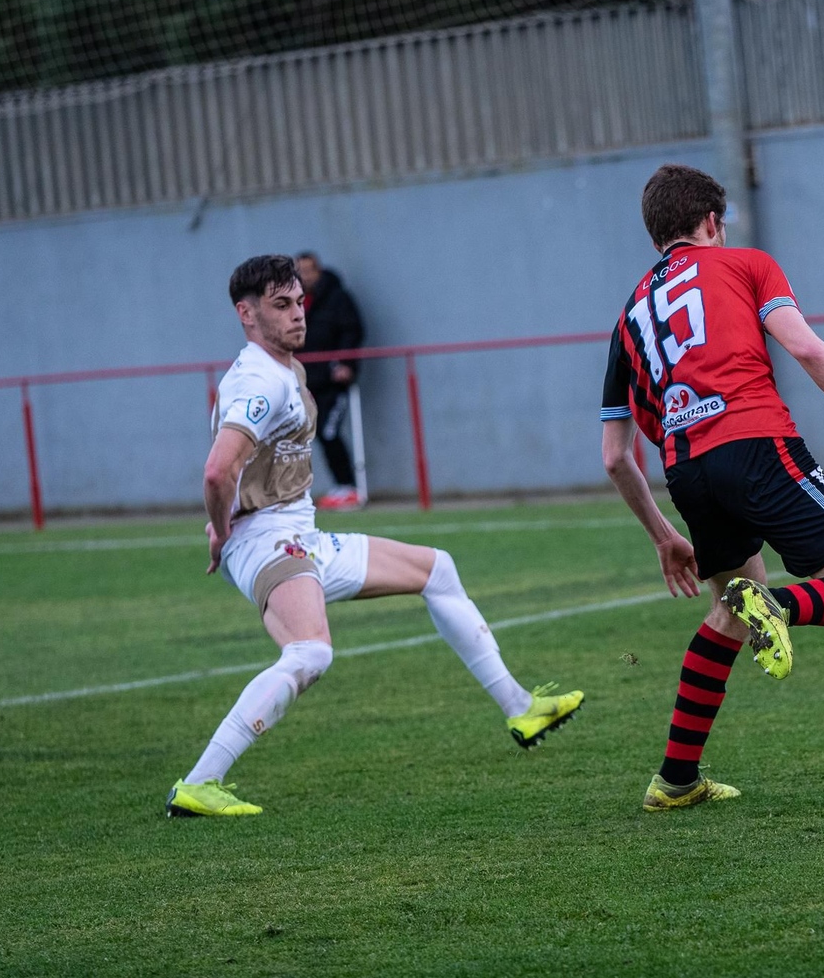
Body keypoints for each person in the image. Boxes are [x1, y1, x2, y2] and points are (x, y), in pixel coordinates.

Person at [167, 255, 583, 817]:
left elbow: (236, 472)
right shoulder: (261, 379)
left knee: (437, 569)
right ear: (245, 313)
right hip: (268, 541)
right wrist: (223, 530)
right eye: (280, 306)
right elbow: (217, 470)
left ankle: (520, 708)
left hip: (296, 534)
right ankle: (199, 783)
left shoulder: (281, 366)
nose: (297, 316)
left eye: (299, 303)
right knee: (311, 652)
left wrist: (229, 522)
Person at [600, 165, 824, 813]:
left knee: (729, 611)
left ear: (656, 238)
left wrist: (664, 537)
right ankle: (781, 608)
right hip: (756, 446)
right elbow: (807, 350)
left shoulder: (629, 318)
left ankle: (675, 779)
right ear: (710, 224)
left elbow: (616, 457)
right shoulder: (745, 264)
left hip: (687, 472)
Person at [295, 251, 366, 511]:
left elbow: (353, 330)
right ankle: (339, 486)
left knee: (329, 431)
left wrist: (345, 364)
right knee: (312, 434)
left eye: (308, 271)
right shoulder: (296, 302)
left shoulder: (338, 298)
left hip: (333, 382)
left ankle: (349, 486)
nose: (304, 276)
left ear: (319, 271)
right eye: (299, 271)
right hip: (307, 382)